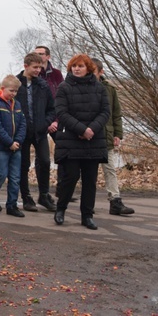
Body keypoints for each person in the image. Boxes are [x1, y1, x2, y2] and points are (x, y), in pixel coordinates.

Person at [53, 54, 110, 230]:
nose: (76, 69)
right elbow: (62, 113)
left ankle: (87, 215)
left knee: (90, 180)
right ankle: (60, 209)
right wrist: (81, 130)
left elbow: (105, 112)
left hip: (93, 139)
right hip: (71, 139)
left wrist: (91, 129)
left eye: (80, 66)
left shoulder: (99, 88)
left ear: (89, 68)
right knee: (70, 177)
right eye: (74, 66)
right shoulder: (64, 87)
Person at [92, 59, 135, 216]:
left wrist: (118, 134)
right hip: (87, 137)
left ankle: (115, 201)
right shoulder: (81, 88)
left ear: (101, 72)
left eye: (93, 70)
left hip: (106, 135)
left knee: (110, 169)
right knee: (88, 171)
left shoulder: (110, 89)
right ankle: (87, 203)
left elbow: (116, 113)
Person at [15, 53, 56, 212]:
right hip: (22, 132)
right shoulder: (16, 84)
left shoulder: (43, 85)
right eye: (35, 67)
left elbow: (51, 109)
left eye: (40, 67)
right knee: (23, 165)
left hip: (40, 131)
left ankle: (44, 195)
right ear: (26, 66)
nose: (38, 70)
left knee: (45, 161)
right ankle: (26, 197)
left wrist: (45, 123)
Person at [0, 75, 26, 217]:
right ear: (3, 89)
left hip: (16, 146)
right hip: (1, 146)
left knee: (15, 177)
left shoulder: (17, 105)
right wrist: (9, 142)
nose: (13, 94)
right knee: (1, 174)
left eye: (15, 91)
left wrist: (18, 141)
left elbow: (22, 124)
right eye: (11, 91)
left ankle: (12, 205)